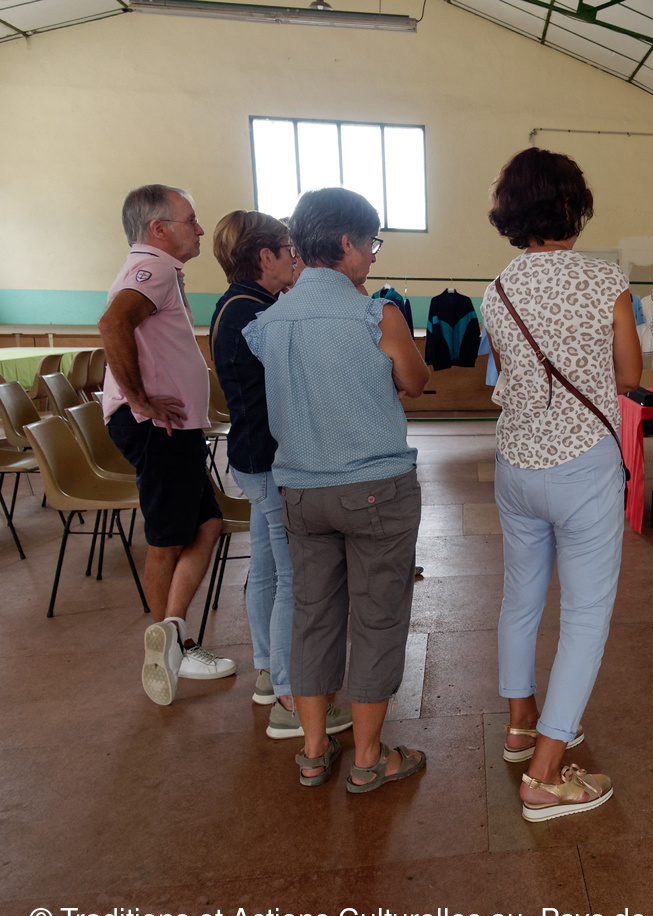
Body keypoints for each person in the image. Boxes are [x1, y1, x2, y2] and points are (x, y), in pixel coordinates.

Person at [243, 187, 430, 791]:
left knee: (313, 615)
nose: (373, 256)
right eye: (372, 243)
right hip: (375, 487)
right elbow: (415, 380)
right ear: (347, 242)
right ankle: (370, 758)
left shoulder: (269, 322)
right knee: (377, 618)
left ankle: (314, 750)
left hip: (300, 491)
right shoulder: (376, 315)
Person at [482, 147, 642, 822]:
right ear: (573, 208)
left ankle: (523, 723)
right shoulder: (607, 282)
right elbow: (629, 375)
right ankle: (546, 775)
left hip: (517, 463)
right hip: (582, 467)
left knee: (520, 598)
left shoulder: (497, 289)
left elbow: (507, 375)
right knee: (584, 614)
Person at [210, 211, 353, 741]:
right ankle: (293, 700)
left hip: (252, 457)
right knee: (295, 577)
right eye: (289, 250)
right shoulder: (257, 312)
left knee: (268, 568)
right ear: (264, 256)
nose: (295, 258)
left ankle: (270, 673)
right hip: (270, 462)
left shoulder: (238, 304)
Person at [99, 184, 236, 706]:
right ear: (158, 229)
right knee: (166, 538)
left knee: (207, 523)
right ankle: (170, 645)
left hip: (171, 429)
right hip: (160, 428)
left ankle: (173, 634)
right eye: (190, 220)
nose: (199, 229)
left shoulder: (157, 270)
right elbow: (113, 323)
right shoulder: (151, 269)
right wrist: (140, 399)